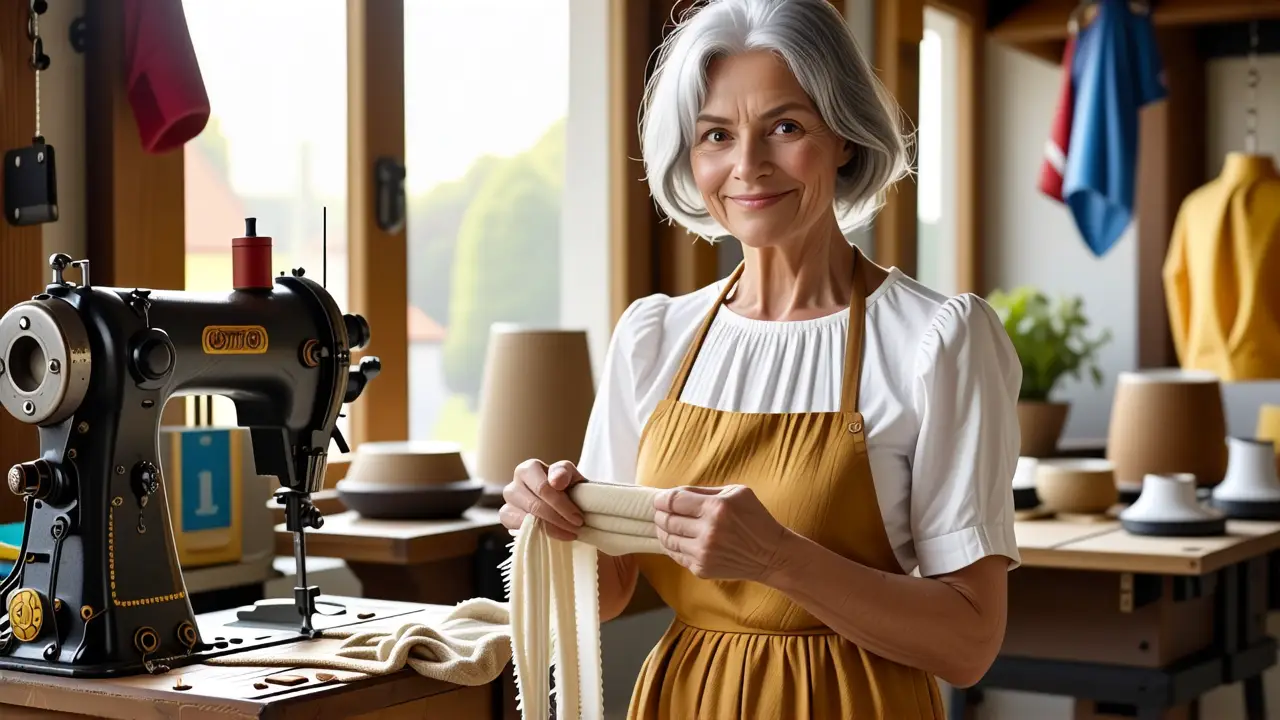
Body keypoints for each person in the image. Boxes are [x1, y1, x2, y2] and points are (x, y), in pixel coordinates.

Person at [499, 0, 1022, 717]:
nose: (747, 167)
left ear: (842, 136)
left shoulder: (937, 340)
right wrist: (555, 518)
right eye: (716, 134)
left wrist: (777, 557)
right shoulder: (655, 337)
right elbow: (612, 591)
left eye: (785, 127)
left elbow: (969, 643)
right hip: (683, 699)